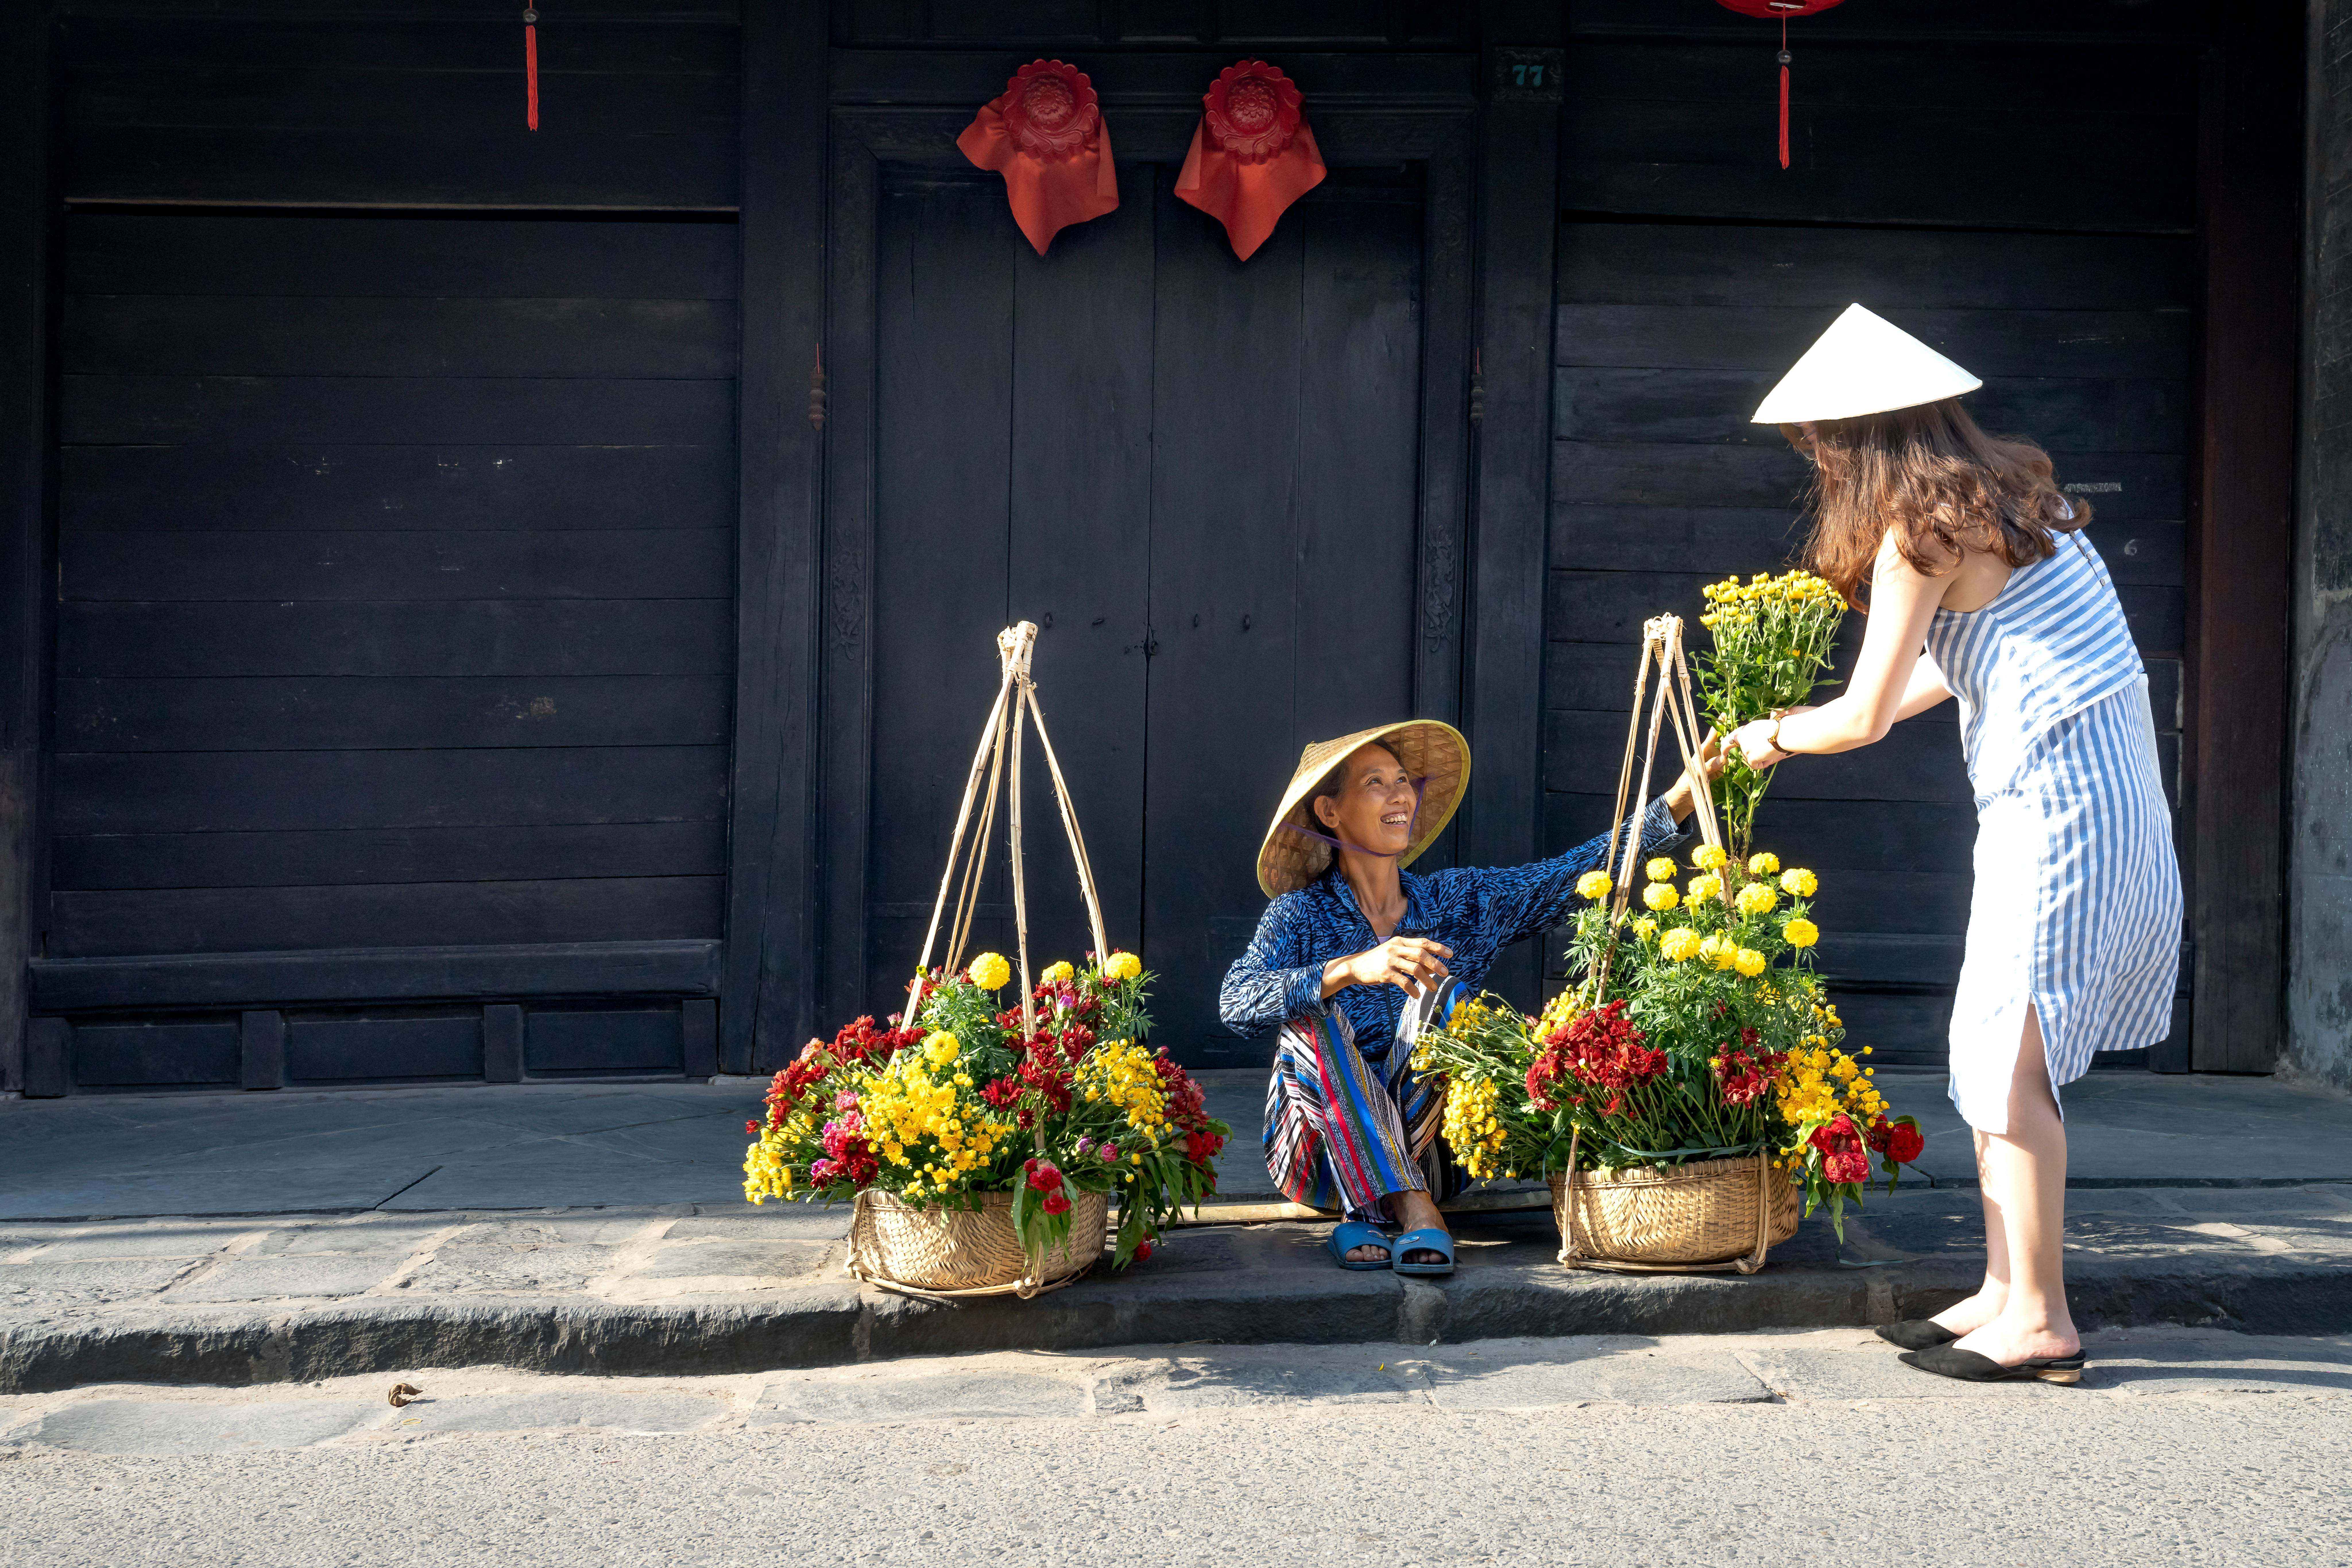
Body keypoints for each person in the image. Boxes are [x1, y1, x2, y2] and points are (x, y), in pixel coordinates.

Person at [1728, 304, 2181, 1384]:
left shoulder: (1913, 532)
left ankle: (2040, 1319)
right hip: (2091, 794)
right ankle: (2001, 1287)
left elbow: (1864, 715)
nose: (1817, 457)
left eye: (1821, 440)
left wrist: (1766, 737)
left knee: (2008, 1066)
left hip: (2058, 805)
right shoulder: (2019, 493)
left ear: (1852, 436)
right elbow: (1969, 661)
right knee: (1991, 1051)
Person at [1218, 718, 1721, 1274]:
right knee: (1312, 1019)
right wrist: (1349, 969)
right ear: (1329, 812)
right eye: (1376, 782)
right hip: (1320, 1164)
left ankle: (1383, 1201)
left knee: (1446, 995)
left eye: (1405, 780)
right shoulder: (1298, 914)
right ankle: (1410, 1206)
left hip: (1433, 1152)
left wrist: (1675, 802)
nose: (1401, 794)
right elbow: (1236, 1001)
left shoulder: (1458, 901)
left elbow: (1568, 876)